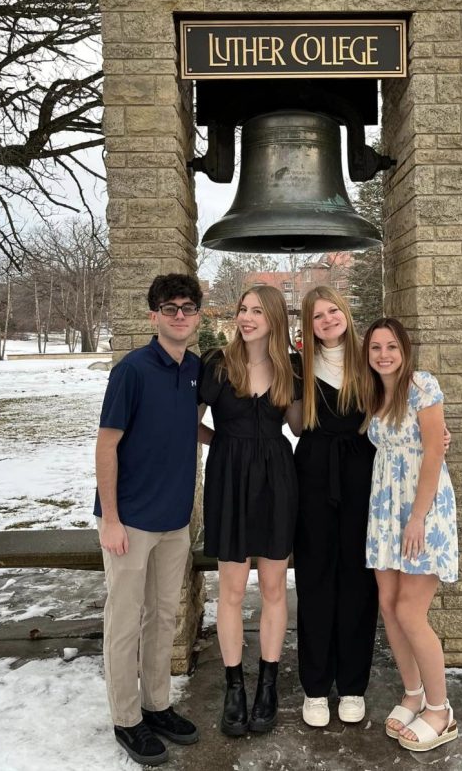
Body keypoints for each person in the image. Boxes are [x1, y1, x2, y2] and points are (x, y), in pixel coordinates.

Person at [94, 273, 203, 766]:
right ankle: (126, 717)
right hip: (131, 522)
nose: (180, 315)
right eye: (170, 307)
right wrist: (111, 518)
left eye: (188, 306)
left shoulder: (195, 368)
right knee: (125, 622)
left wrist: (231, 443)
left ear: (198, 314)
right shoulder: (132, 370)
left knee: (162, 618)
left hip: (175, 521)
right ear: (153, 315)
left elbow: (187, 423)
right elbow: (107, 444)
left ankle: (157, 705)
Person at [197, 285, 302, 737]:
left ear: (274, 318)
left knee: (275, 587)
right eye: (243, 309)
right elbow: (188, 418)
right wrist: (218, 443)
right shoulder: (218, 364)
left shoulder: (291, 366)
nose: (247, 317)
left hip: (278, 478)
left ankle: (269, 685)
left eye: (257, 311)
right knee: (233, 590)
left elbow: (300, 425)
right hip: (228, 481)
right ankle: (235, 685)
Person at [362, 317, 459, 753]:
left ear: (405, 352)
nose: (384, 355)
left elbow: (434, 449)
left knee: (410, 611)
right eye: (376, 347)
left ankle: (441, 710)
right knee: (389, 605)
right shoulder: (374, 393)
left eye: (392, 347)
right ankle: (413, 693)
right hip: (386, 509)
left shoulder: (422, 385)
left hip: (422, 509)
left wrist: (418, 516)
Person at [292, 286, 379, 728]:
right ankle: (314, 686)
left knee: (358, 581)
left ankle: (352, 685)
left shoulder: (372, 358)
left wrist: (436, 433)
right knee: (315, 578)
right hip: (312, 478)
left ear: (345, 313)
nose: (327, 320)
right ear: (307, 326)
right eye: (317, 316)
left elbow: (405, 404)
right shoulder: (298, 366)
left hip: (364, 477)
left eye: (333, 311)